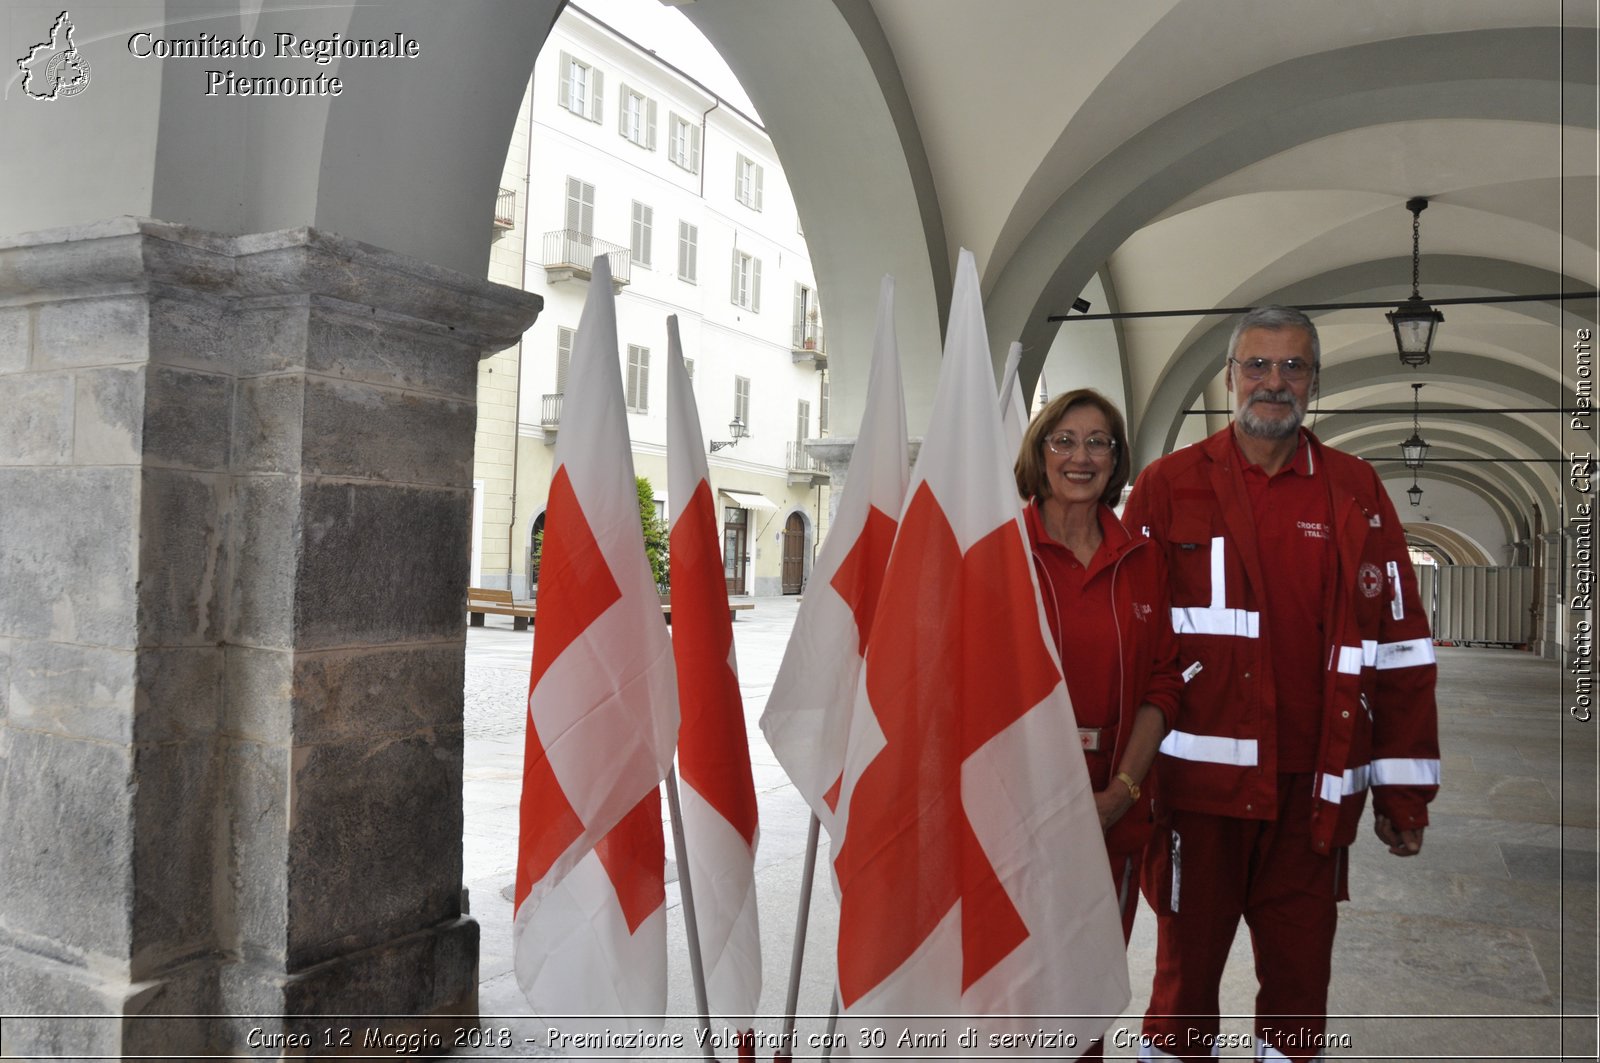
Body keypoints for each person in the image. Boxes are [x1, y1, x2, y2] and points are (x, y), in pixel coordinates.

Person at [1123, 306, 1440, 1062]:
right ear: (1231, 378)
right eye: (1257, 366)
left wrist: (1403, 794)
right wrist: (1117, 778)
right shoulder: (1168, 486)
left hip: (1311, 797)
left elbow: (1400, 650)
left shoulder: (1355, 490)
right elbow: (1130, 640)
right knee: (1181, 992)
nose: (1274, 382)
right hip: (1194, 800)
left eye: (1292, 367)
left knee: (1300, 993)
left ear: (1314, 382)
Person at [1015, 388, 1182, 1059]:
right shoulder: (999, 552)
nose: (1080, 456)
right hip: (1013, 812)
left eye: (1098, 442)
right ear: (1040, 451)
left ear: (1117, 459)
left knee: (1083, 1000)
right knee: (1013, 995)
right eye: (1064, 439)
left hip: (1108, 814)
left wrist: (1121, 791)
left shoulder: (1142, 560)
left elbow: (1164, 681)